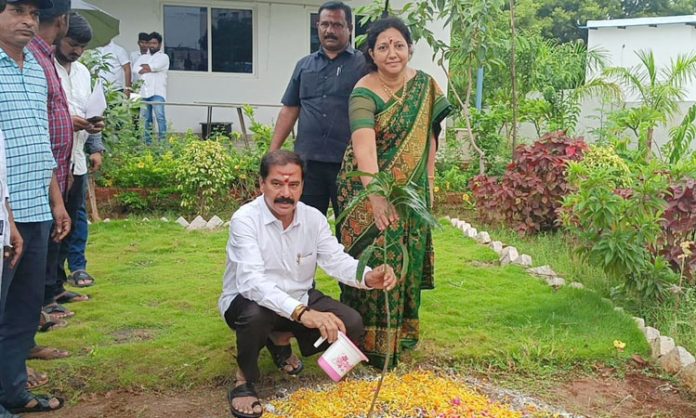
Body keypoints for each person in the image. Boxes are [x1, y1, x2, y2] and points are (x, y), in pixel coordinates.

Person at [219, 150, 397, 418]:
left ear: (303, 185)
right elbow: (252, 283)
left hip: (299, 295)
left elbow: (336, 260)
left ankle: (279, 338)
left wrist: (368, 276)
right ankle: (243, 378)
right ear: (262, 185)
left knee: (351, 323)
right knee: (256, 315)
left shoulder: (313, 218)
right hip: (248, 300)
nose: (285, 193)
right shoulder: (245, 220)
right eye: (277, 183)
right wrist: (304, 313)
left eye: (293, 184)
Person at [336, 16, 453, 368]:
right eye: (383, 46)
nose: (392, 53)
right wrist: (376, 198)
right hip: (364, 189)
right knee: (372, 260)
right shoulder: (363, 91)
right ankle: (361, 344)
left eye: (399, 45)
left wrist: (428, 185)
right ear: (371, 53)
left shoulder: (427, 87)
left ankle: (398, 338)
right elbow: (364, 151)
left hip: (412, 195)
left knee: (407, 262)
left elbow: (430, 139)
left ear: (410, 49)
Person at [0, 0, 71, 414]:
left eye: (32, 13)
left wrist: (57, 203)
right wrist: (7, 218)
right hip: (5, 218)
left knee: (24, 312)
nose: (27, 21)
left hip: (37, 211)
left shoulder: (36, 70)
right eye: (16, 11)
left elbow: (38, 145)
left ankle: (13, 393)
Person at [269, 1, 366, 216]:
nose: (330, 30)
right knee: (305, 227)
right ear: (318, 26)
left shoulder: (364, 66)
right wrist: (272, 153)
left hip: (349, 165)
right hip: (308, 164)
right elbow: (290, 109)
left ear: (349, 28)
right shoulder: (304, 65)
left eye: (337, 25)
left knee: (351, 228)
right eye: (325, 24)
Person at [53, 12, 105, 306]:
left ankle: (74, 270)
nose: (76, 51)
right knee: (55, 223)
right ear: (59, 34)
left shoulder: (83, 72)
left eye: (82, 47)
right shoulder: (46, 67)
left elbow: (90, 109)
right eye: (72, 44)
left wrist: (95, 140)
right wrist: (66, 122)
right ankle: (52, 284)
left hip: (78, 159)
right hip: (55, 162)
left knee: (76, 217)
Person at [133, 32, 169, 144]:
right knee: (146, 120)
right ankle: (148, 143)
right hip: (143, 93)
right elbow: (135, 69)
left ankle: (162, 143)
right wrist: (148, 68)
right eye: (150, 43)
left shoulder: (164, 57)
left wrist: (147, 67)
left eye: (154, 43)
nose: (152, 45)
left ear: (159, 44)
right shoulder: (143, 57)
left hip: (158, 92)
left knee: (160, 117)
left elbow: (155, 66)